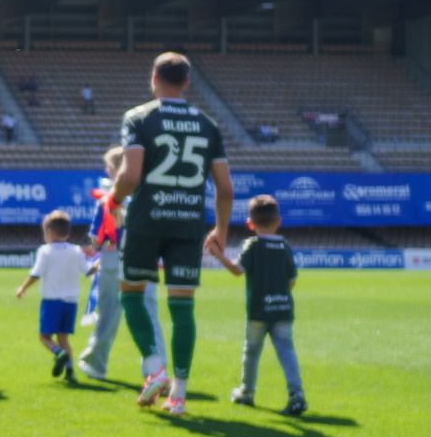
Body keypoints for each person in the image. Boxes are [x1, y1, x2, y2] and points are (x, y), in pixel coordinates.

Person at [107, 51, 232, 418]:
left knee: (130, 292)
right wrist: (221, 231)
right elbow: (225, 188)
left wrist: (112, 201)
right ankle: (178, 394)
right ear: (188, 82)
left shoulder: (139, 117)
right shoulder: (209, 125)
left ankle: (154, 367)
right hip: (188, 222)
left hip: (148, 219)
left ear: (154, 79)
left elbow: (130, 176)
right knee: (182, 306)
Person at [76, 147, 165, 381]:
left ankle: (96, 364)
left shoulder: (108, 200)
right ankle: (157, 369)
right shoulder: (149, 198)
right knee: (149, 315)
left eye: (109, 167)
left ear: (117, 170)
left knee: (108, 315)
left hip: (112, 257)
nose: (106, 170)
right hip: (144, 258)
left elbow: (96, 239)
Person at [219, 195, 306, 416]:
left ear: (250, 223)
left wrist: (219, 255)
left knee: (251, 352)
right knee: (287, 352)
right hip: (283, 309)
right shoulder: (284, 246)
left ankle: (246, 392)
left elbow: (237, 271)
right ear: (279, 220)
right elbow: (292, 279)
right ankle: (296, 395)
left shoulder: (252, 245)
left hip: (258, 311)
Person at [16, 210, 85, 385]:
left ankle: (58, 353)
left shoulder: (45, 251)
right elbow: (87, 270)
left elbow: (36, 273)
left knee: (44, 337)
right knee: (64, 338)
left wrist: (23, 288)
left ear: (50, 232)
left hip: (52, 301)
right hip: (71, 302)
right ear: (67, 232)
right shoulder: (76, 250)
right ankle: (70, 371)